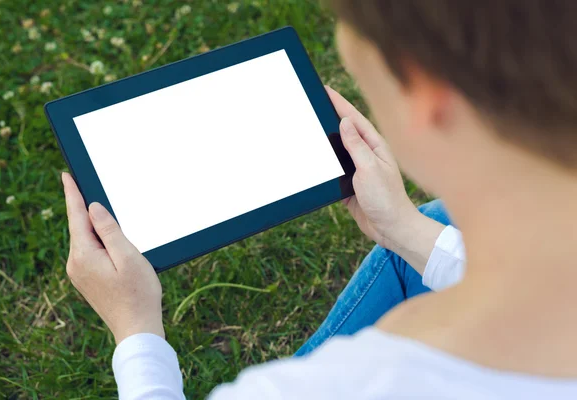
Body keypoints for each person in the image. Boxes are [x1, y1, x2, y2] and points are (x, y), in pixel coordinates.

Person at [61, 0, 577, 398]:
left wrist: (136, 331)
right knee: (431, 226)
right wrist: (402, 229)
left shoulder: (331, 388)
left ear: (426, 98)